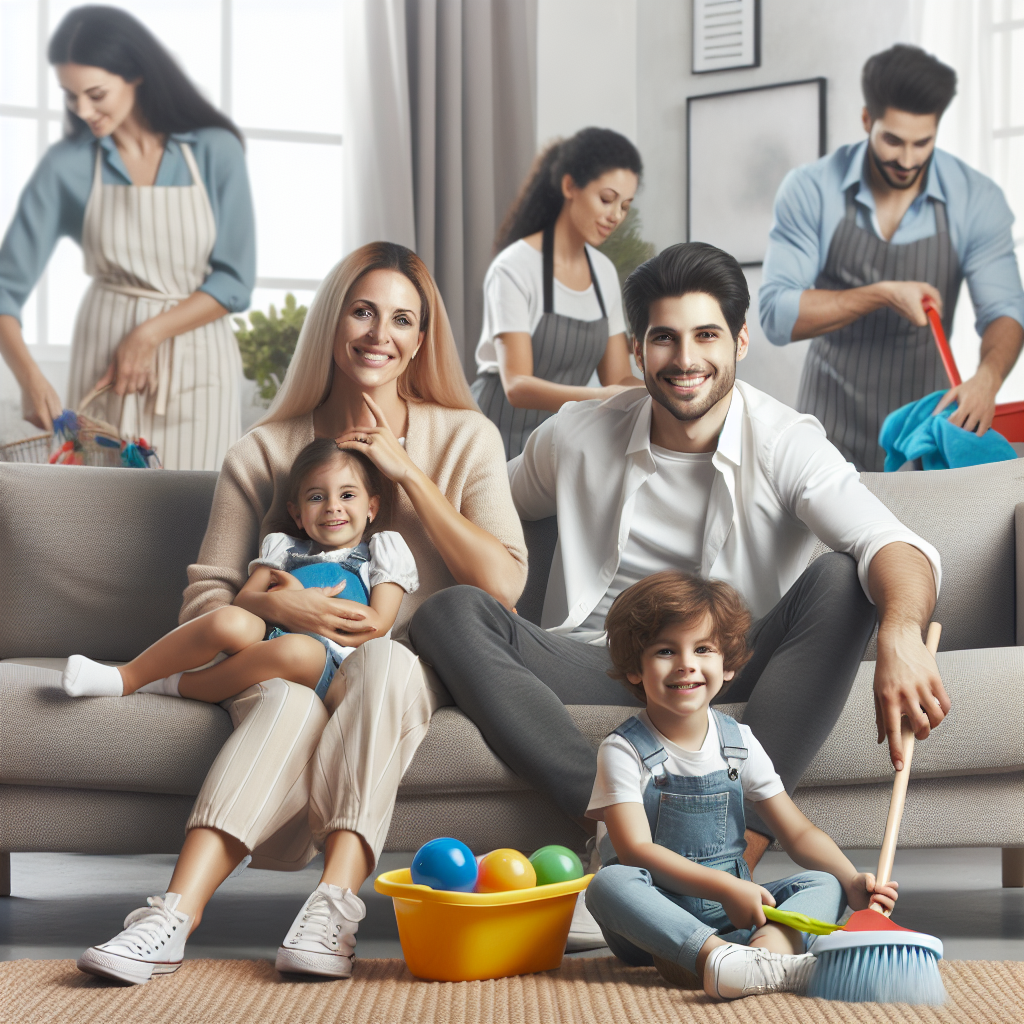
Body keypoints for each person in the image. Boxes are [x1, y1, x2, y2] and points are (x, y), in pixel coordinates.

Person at [410, 242, 946, 942]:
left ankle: (734, 855)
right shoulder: (575, 435)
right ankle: (614, 828)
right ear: (637, 350)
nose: (684, 358)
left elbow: (893, 544)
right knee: (451, 612)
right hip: (599, 660)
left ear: (741, 341)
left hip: (729, 662)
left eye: (706, 336)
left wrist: (900, 634)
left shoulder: (785, 440)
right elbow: (479, 518)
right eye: (664, 337)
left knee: (847, 579)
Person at [74, 242, 528, 985]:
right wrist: (280, 600)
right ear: (332, 323)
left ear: (421, 342)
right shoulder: (265, 450)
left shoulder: (465, 436)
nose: (380, 333)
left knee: (385, 661)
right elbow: (210, 598)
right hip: (282, 658)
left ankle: (332, 907)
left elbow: (501, 586)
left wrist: (408, 472)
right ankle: (169, 918)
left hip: (400, 664)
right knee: (286, 707)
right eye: (363, 311)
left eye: (402, 319)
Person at [585, 571, 898, 1001]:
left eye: (703, 649)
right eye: (664, 650)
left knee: (822, 883)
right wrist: (727, 888)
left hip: (733, 916)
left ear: (727, 663)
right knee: (607, 883)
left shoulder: (739, 742)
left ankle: (763, 959)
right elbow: (637, 850)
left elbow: (798, 832)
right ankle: (716, 958)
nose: (686, 663)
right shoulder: (623, 750)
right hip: (652, 923)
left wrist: (850, 880)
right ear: (635, 670)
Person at [0, 5, 255, 470]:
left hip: (198, 364)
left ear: (136, 73)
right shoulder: (68, 165)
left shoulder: (215, 150)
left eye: (95, 94)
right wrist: (28, 376)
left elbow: (235, 280)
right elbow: (4, 289)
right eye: (70, 96)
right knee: (98, 517)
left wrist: (149, 334)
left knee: (193, 518)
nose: (82, 110)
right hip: (103, 362)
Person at [760, 44, 1024, 471]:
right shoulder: (812, 189)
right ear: (867, 120)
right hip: (828, 424)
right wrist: (880, 294)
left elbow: (1006, 311)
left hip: (923, 434)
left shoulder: (975, 199)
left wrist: (988, 379)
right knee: (821, 541)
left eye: (923, 143)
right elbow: (775, 314)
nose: (906, 160)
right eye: (893, 141)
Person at [61, 441, 418, 705]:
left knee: (296, 649)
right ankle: (126, 677)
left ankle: (175, 685)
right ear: (297, 514)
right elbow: (246, 600)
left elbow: (376, 625)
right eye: (316, 498)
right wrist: (286, 601)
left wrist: (307, 610)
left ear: (371, 507)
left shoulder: (379, 551)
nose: (333, 507)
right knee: (228, 620)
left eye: (347, 495)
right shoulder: (284, 549)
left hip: (332, 666)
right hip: (266, 638)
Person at [472, 127, 645, 459]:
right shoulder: (514, 268)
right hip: (494, 439)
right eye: (607, 200)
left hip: (556, 443)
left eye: (625, 206)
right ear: (570, 186)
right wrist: (599, 396)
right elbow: (517, 386)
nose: (616, 216)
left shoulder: (603, 272)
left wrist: (664, 390)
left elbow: (619, 377)